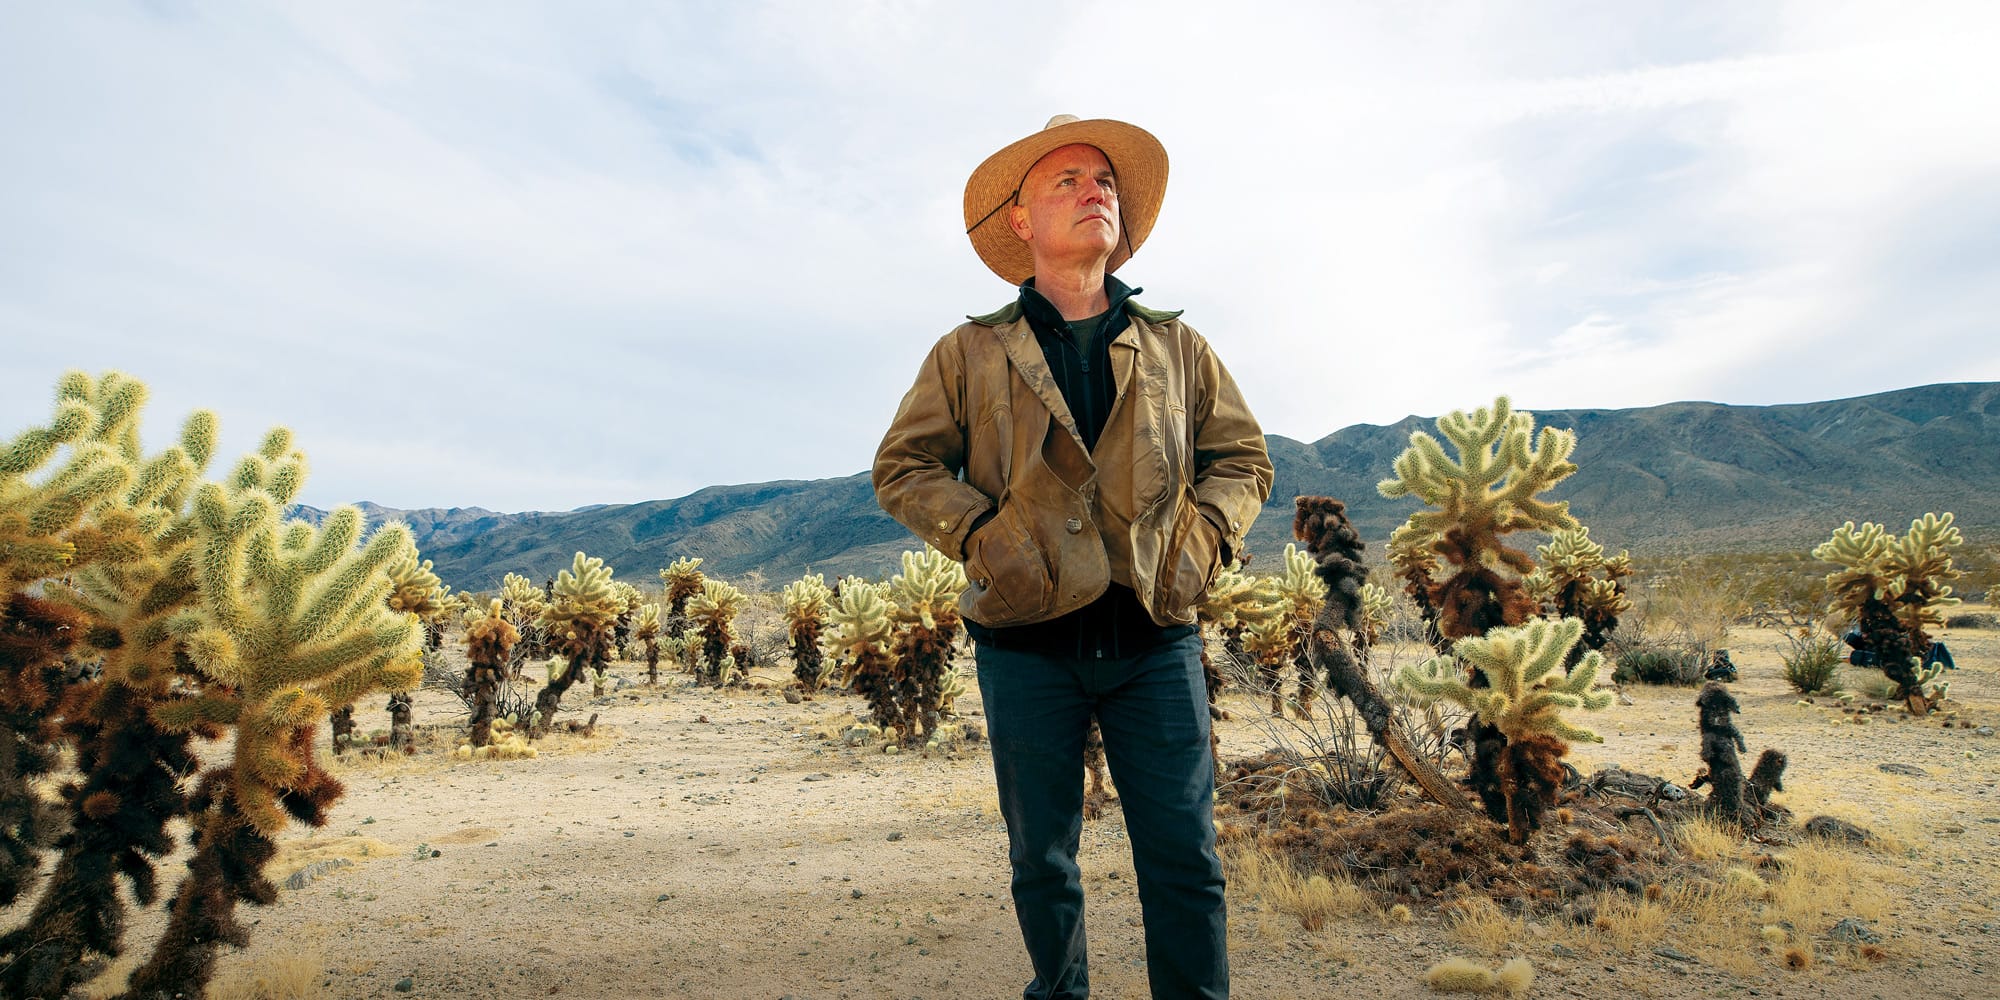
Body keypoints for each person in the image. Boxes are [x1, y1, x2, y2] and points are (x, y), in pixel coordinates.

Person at [873, 115, 1273, 1000]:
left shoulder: (1178, 346)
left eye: (1104, 179)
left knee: (1186, 859)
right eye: (1068, 180)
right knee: (1042, 862)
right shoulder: (969, 352)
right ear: (1020, 221)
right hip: (1026, 645)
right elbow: (902, 468)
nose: (1096, 190)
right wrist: (983, 538)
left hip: (1154, 641)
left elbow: (1244, 460)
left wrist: (1203, 540)